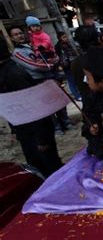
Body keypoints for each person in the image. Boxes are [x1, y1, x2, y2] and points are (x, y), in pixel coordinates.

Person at [0, 38, 62, 177]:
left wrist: (42, 138)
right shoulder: (4, 73)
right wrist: (14, 130)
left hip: (36, 133)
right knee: (38, 168)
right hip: (25, 131)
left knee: (51, 170)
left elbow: (34, 107)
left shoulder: (14, 75)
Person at [55, 31, 81, 101]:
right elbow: (59, 57)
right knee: (71, 81)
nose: (66, 38)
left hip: (73, 65)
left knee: (76, 80)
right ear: (60, 38)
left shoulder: (67, 44)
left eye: (66, 36)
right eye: (64, 37)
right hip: (67, 66)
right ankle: (77, 96)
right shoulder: (59, 46)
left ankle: (78, 94)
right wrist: (60, 65)